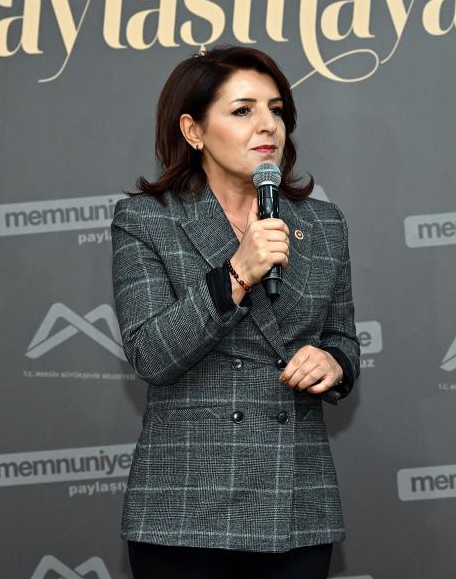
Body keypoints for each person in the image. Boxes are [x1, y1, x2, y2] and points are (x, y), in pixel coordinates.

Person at [110, 44, 360, 579]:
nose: (267, 125)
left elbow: (342, 338)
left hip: (295, 501)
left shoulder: (324, 223)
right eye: (243, 110)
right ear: (193, 130)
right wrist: (238, 273)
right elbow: (151, 355)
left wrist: (334, 363)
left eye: (276, 109)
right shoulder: (146, 220)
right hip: (186, 507)